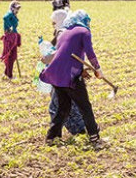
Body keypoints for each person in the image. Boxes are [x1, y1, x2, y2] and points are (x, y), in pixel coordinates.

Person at [39, 10, 106, 149]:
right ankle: (94, 138)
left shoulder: (64, 32)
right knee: (85, 107)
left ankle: (52, 137)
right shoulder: (84, 32)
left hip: (56, 74)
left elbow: (63, 56)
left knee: (63, 107)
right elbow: (90, 53)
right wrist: (98, 69)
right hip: (70, 77)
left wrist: (82, 69)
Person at [42, 9, 86, 136]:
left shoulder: (63, 34)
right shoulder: (67, 32)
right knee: (67, 106)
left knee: (58, 107)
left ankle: (78, 131)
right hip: (66, 75)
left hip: (64, 76)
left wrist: (48, 58)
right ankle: (80, 130)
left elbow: (61, 54)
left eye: (54, 22)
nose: (52, 25)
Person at [1, 0, 22, 79]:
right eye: (16, 8)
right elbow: (5, 18)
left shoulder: (13, 15)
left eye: (18, 8)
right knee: (10, 56)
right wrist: (10, 27)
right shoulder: (10, 13)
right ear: (12, 8)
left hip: (13, 36)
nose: (17, 10)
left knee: (12, 56)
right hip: (10, 37)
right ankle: (9, 75)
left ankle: (6, 73)